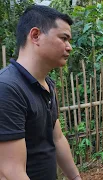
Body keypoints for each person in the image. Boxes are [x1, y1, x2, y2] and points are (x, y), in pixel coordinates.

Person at [0, 5, 81, 180]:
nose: (69, 47)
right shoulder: (7, 88)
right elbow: (12, 170)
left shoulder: (47, 84)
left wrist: (75, 178)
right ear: (35, 35)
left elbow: (57, 138)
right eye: (64, 38)